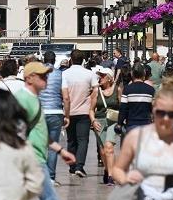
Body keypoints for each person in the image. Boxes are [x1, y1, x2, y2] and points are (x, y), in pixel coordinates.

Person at [13, 61, 87, 200]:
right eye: (42, 76)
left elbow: (39, 133)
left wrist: (60, 150)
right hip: (32, 161)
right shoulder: (24, 100)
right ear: (29, 78)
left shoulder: (34, 100)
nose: (46, 79)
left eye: (47, 75)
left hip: (36, 158)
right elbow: (14, 132)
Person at [62, 50, 98, 178]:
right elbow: (95, 92)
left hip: (69, 111)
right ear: (83, 60)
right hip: (84, 111)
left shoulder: (64, 74)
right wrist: (91, 108)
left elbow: (63, 94)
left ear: (71, 59)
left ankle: (72, 166)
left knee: (71, 140)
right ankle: (79, 166)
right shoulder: (89, 74)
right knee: (83, 140)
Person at [37, 51, 65, 182]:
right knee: (53, 146)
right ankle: (51, 177)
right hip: (56, 112)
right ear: (55, 60)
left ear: (44, 60)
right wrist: (67, 114)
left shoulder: (38, 75)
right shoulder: (60, 74)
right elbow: (65, 96)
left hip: (41, 112)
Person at [94, 67, 122, 186]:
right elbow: (91, 109)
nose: (100, 78)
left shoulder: (118, 90)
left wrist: (122, 120)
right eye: (99, 75)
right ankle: (107, 169)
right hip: (100, 121)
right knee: (103, 151)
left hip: (113, 121)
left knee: (109, 147)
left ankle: (111, 176)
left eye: (102, 76)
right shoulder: (96, 91)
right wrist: (93, 120)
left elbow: (122, 106)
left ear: (109, 78)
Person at [120, 62, 157, 136]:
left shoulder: (127, 89)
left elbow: (123, 108)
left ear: (132, 74)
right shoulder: (150, 89)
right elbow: (154, 108)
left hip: (131, 124)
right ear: (144, 74)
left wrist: (119, 123)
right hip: (146, 124)